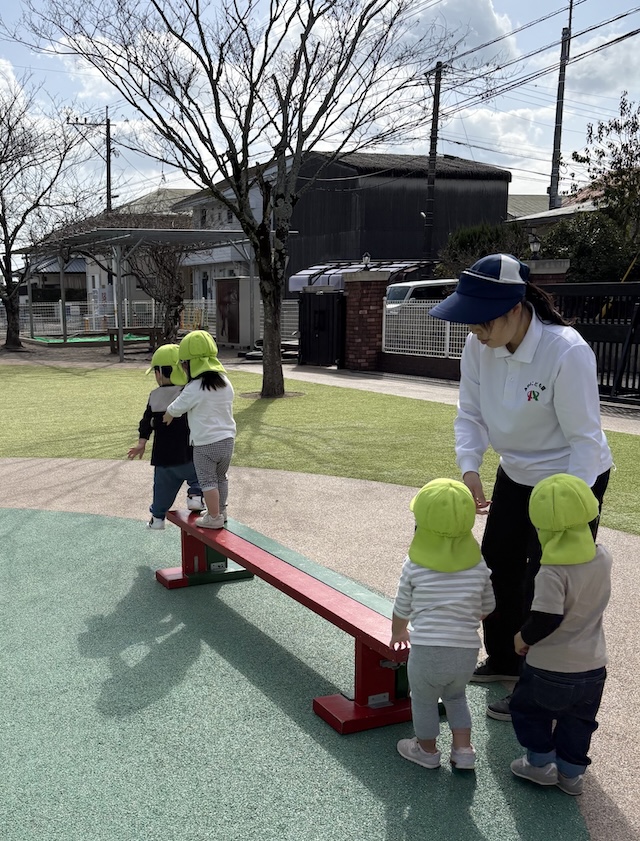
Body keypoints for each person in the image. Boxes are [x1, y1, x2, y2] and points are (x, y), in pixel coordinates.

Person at [429, 253, 613, 722]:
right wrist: (470, 466)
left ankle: (538, 685)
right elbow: (470, 413)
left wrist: (567, 509)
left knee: (549, 582)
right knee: (498, 567)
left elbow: (584, 440)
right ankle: (506, 661)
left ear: (516, 308)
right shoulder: (480, 347)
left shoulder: (565, 351)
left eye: (483, 321)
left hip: (570, 479)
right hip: (515, 472)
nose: (476, 332)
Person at [509, 473, 611, 797]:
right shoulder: (603, 557)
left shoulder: (551, 572)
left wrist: (523, 638)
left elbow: (547, 618)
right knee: (579, 721)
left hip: (550, 667)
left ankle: (539, 764)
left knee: (530, 711)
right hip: (593, 666)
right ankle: (570, 773)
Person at [391, 478, 496, 771]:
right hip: (465, 651)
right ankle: (463, 751)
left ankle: (426, 751)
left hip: (427, 649)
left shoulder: (414, 565)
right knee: (456, 696)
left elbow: (403, 606)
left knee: (423, 701)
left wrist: (398, 631)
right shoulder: (477, 563)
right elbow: (488, 606)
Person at [163, 330, 236, 530]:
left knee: (207, 481)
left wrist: (168, 414)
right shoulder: (225, 383)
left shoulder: (195, 387)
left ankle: (213, 517)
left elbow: (177, 407)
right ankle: (221, 511)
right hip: (227, 441)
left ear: (189, 364)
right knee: (221, 478)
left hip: (205, 443)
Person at [127, 343, 204, 530]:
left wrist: (141, 443)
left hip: (163, 458)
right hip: (188, 454)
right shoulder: (187, 391)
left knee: (161, 490)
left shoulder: (154, 396)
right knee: (200, 475)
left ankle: (157, 518)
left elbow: (146, 422)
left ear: (160, 372)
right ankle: (195, 496)